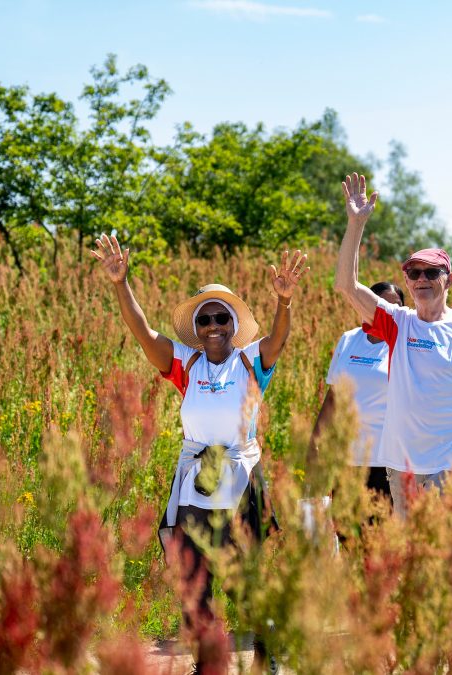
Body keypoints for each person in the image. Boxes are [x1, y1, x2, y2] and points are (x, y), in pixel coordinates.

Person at [92, 234, 307, 673]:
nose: (213, 326)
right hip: (196, 479)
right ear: (197, 326)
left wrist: (283, 301)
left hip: (241, 478)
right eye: (205, 318)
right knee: (194, 577)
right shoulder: (187, 364)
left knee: (246, 576)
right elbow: (142, 332)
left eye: (221, 318)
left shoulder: (250, 362)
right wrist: (120, 284)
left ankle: (267, 656)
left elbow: (279, 339)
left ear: (233, 324)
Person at [334, 173, 452, 516]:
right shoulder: (398, 322)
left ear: (449, 279)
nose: (422, 279)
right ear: (407, 281)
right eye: (414, 274)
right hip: (402, 466)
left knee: (446, 547)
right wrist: (356, 224)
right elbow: (346, 285)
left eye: (431, 272)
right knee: (409, 550)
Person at [311, 281, 406, 501]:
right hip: (347, 458)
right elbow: (333, 397)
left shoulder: (404, 345)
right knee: (344, 522)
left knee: (383, 523)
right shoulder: (349, 339)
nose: (390, 312)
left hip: (388, 461)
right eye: (383, 305)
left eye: (396, 307)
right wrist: (314, 442)